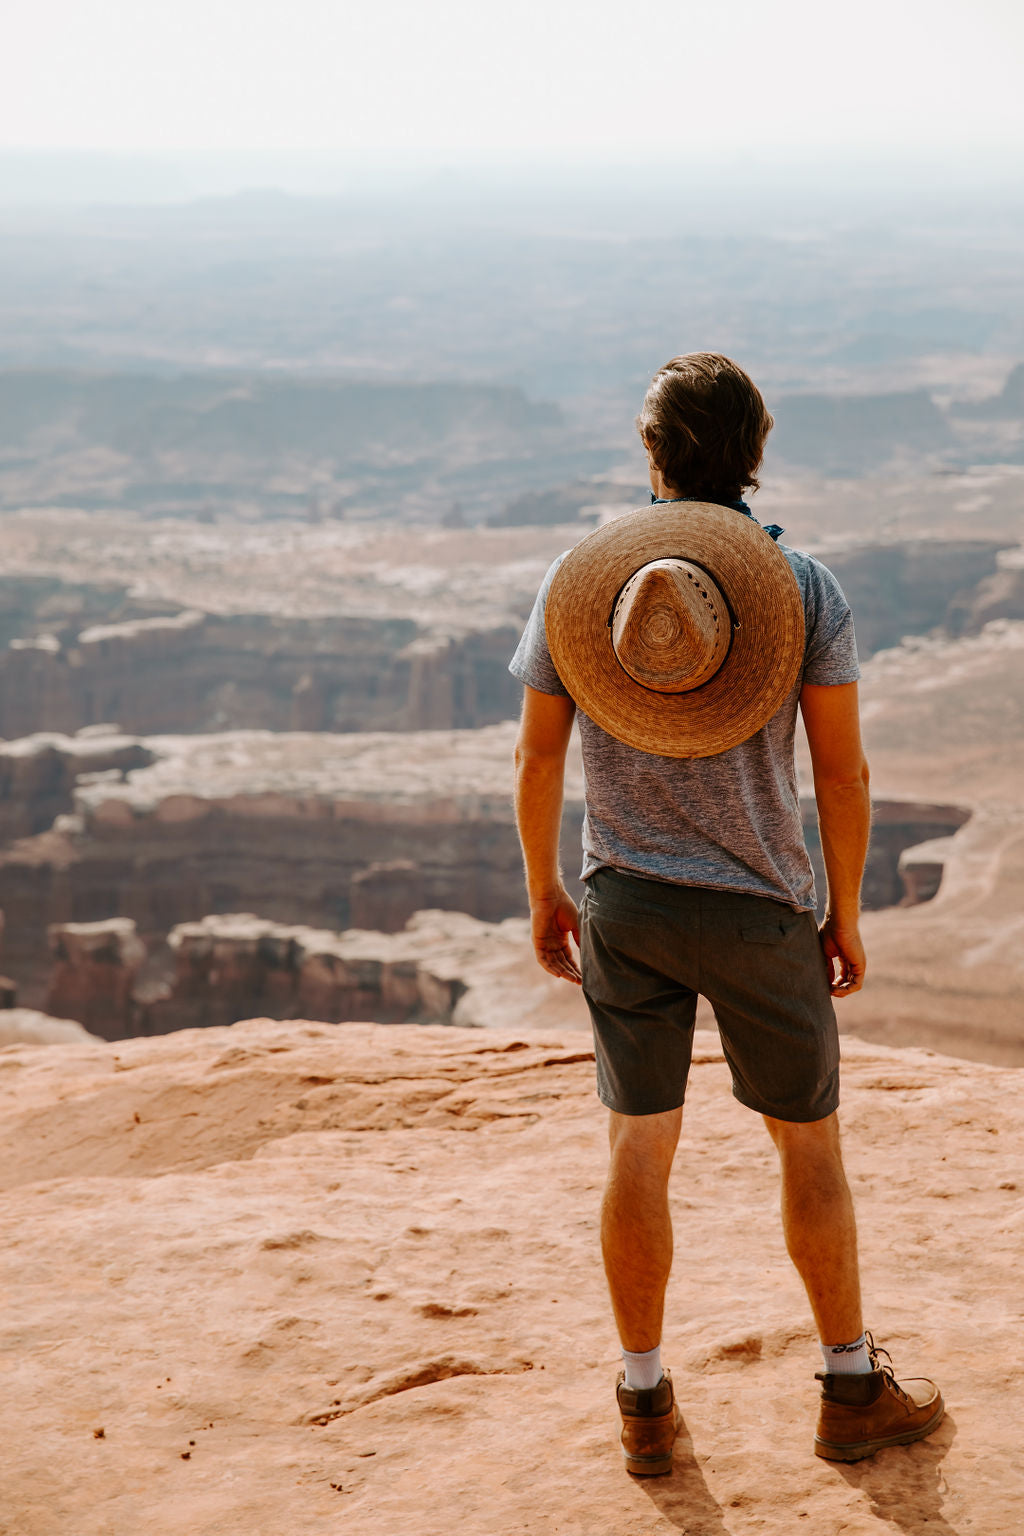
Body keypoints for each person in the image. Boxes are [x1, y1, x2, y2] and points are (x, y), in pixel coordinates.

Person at [509, 352, 943, 1476]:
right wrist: (843, 911)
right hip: (758, 908)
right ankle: (849, 1388)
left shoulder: (580, 581)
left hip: (625, 903)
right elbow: (842, 776)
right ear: (753, 452)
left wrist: (545, 892)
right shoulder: (803, 588)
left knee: (635, 1150)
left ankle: (644, 1402)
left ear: (650, 453)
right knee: (809, 1154)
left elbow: (537, 754)